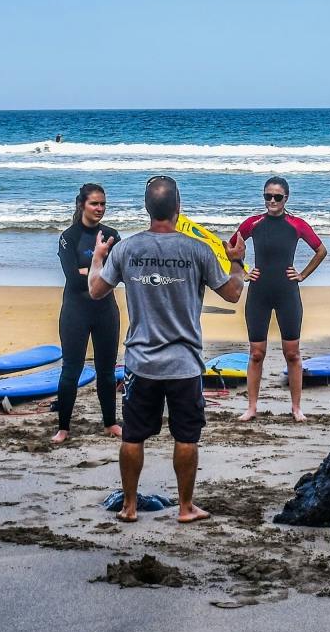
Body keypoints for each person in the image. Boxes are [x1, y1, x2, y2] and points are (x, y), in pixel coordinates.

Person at [89, 175, 246, 522]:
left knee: (133, 435)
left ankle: (129, 507)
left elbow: (96, 290)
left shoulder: (127, 248)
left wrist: (99, 258)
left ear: (147, 208)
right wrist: (236, 261)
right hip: (184, 363)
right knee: (186, 436)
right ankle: (186, 508)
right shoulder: (197, 250)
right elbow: (233, 293)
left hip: (141, 362)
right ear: (178, 208)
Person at [234, 177, 327, 423]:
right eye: (268, 196)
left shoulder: (296, 224)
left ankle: (296, 408)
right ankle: (252, 407)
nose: (272, 201)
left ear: (286, 198)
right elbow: (230, 248)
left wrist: (303, 274)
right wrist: (243, 271)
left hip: (287, 292)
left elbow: (321, 250)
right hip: (259, 293)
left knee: (293, 353)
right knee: (256, 353)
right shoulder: (253, 223)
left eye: (277, 197)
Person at [53, 183, 122, 443]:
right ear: (82, 204)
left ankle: (110, 424)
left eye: (103, 204)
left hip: (105, 311)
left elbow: (119, 274)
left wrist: (91, 272)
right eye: (95, 203)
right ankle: (63, 428)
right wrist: (101, 271)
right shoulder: (69, 237)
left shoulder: (112, 235)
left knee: (106, 371)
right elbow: (72, 277)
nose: (100, 209)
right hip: (76, 311)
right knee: (71, 370)